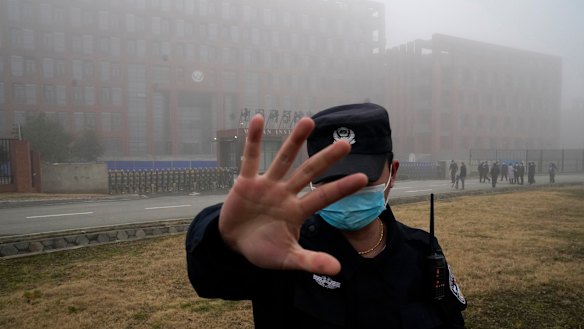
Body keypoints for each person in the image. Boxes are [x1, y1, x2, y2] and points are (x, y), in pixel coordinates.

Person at [185, 103, 467, 328]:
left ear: (392, 172)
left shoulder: (421, 251)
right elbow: (210, 279)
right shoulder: (284, 251)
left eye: (362, 178)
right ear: (313, 179)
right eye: (332, 177)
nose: (345, 190)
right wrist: (225, 239)